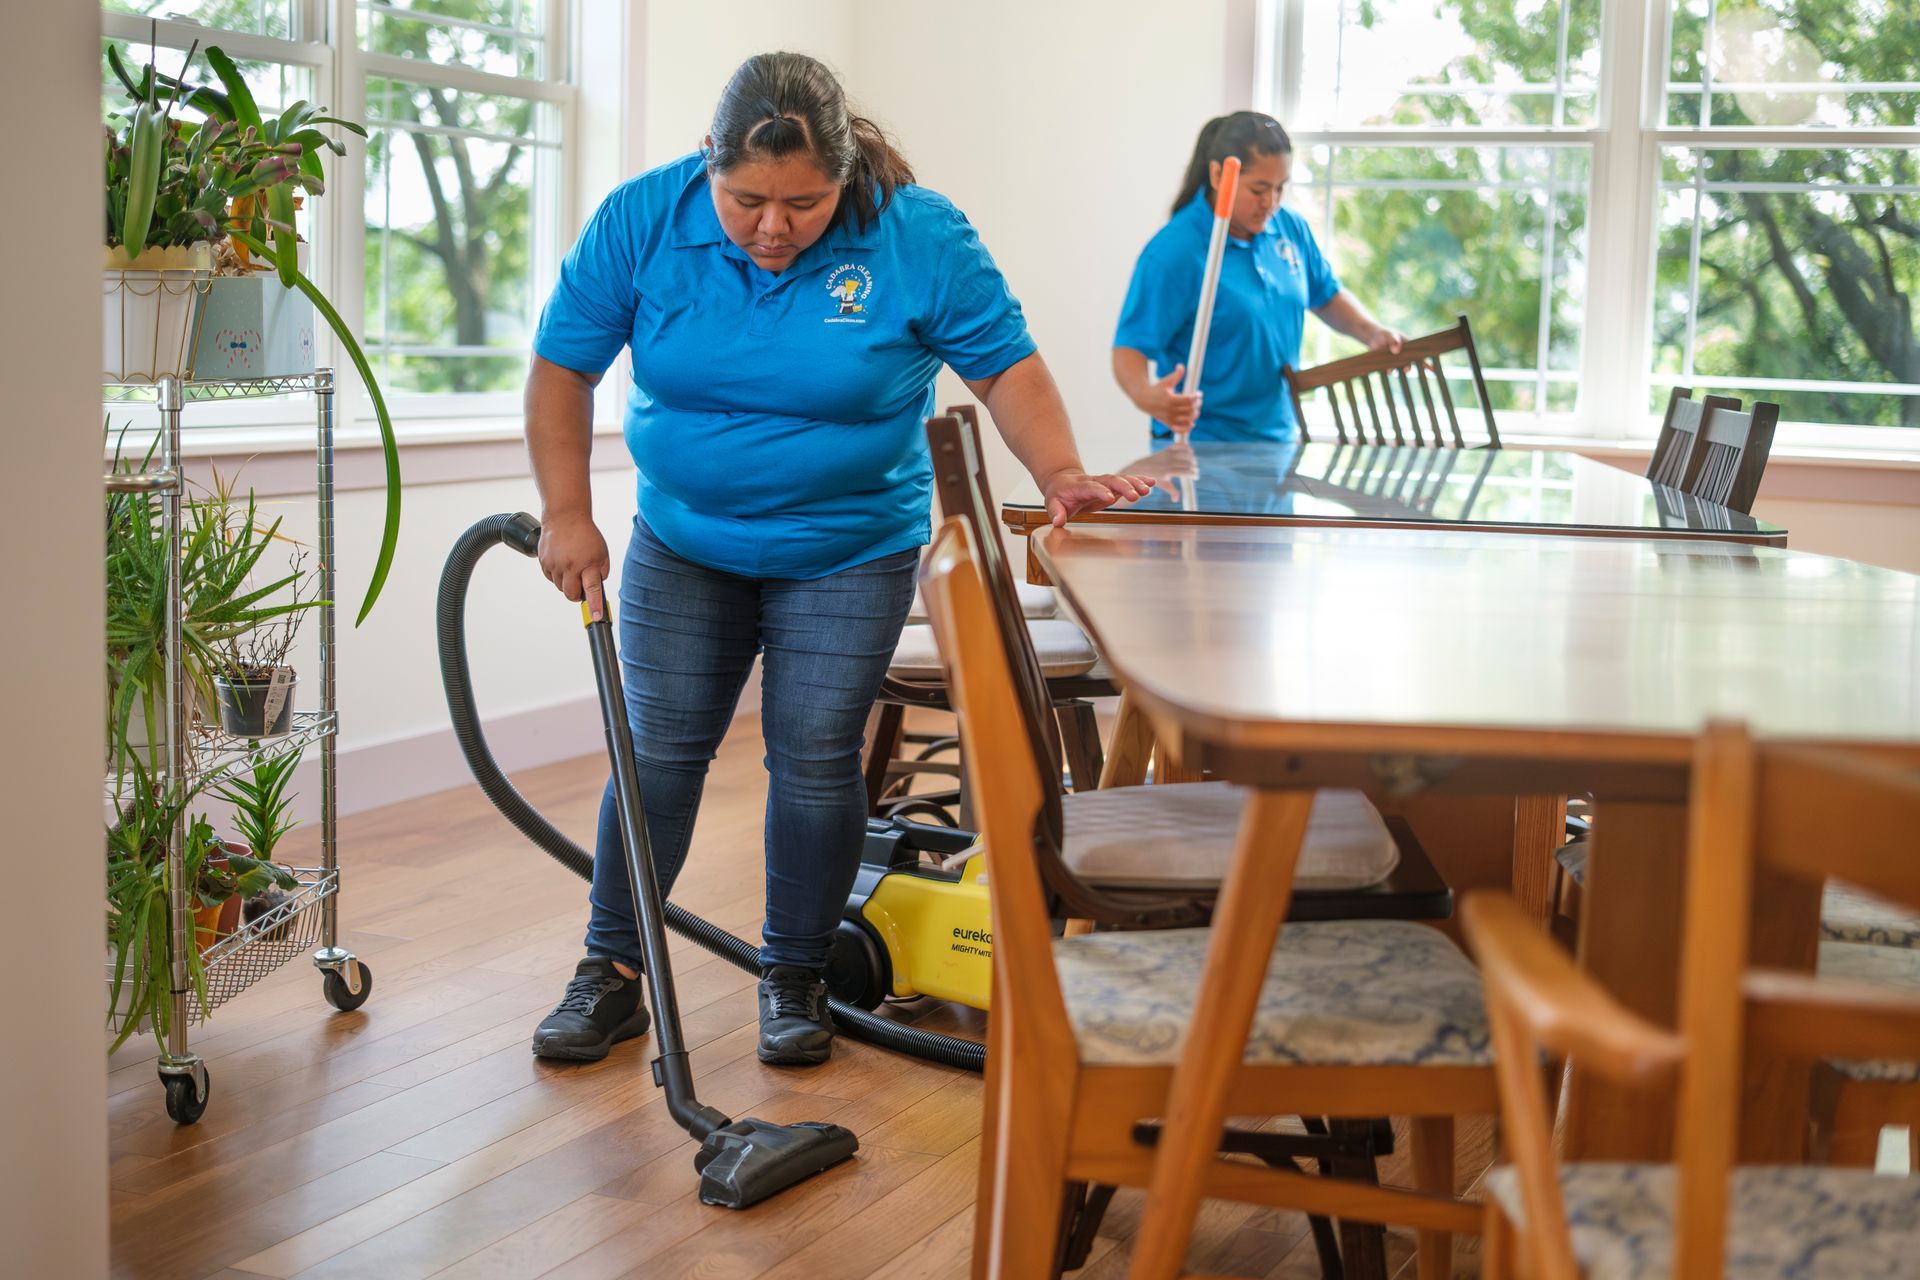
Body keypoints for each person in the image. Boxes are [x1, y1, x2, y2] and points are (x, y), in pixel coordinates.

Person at [522, 52, 1153, 1066]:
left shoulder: (918, 235)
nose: (774, 228)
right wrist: (566, 510)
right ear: (709, 166)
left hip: (849, 545)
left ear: (846, 173)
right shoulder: (644, 219)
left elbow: (1007, 369)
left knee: (815, 757)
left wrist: (1065, 469)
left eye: (805, 204)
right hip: (685, 540)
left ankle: (797, 971)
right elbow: (563, 367)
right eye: (748, 201)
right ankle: (613, 968)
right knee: (659, 754)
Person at [1112, 111, 1406, 443]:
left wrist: (1372, 333)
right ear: (1218, 175)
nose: (1271, 202)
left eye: (1280, 188)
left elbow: (1326, 295)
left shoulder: (1289, 228)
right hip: (1201, 443)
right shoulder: (1174, 252)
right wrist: (1146, 395)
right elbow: (1129, 347)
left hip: (1277, 440)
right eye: (1259, 189)